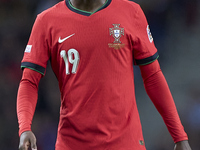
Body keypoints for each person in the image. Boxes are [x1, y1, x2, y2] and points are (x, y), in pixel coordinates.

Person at [17, 0, 192, 150]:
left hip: (126, 143)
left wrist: (179, 135)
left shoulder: (131, 12)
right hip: (73, 143)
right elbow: (29, 81)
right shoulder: (47, 21)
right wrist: (25, 128)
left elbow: (153, 76)